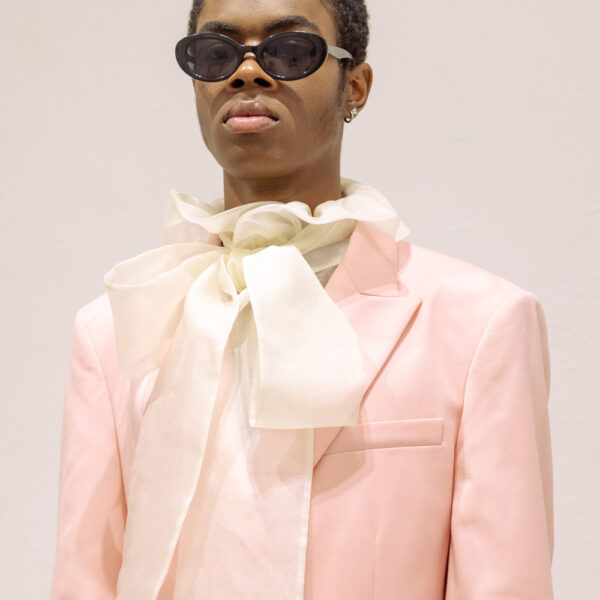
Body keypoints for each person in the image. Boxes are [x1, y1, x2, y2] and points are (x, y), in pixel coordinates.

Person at [50, 0, 555, 598]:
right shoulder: (117, 329)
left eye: (291, 52)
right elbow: (86, 578)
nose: (247, 73)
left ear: (354, 88)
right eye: (216, 54)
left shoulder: (480, 325)